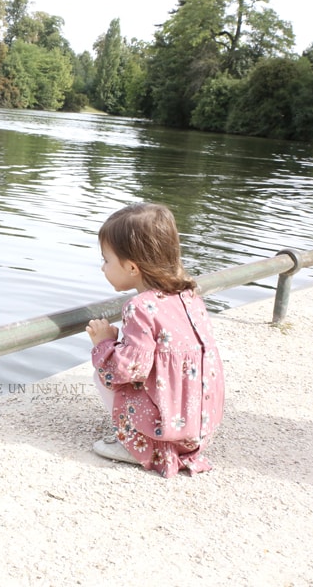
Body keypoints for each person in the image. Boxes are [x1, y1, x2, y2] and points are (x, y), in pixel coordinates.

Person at [85, 203, 225, 477]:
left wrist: (104, 344)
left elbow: (127, 371)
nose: (103, 268)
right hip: (200, 427)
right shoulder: (190, 296)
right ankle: (165, 439)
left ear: (132, 267)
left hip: (168, 431)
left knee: (102, 370)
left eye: (106, 260)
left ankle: (138, 445)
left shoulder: (140, 307)